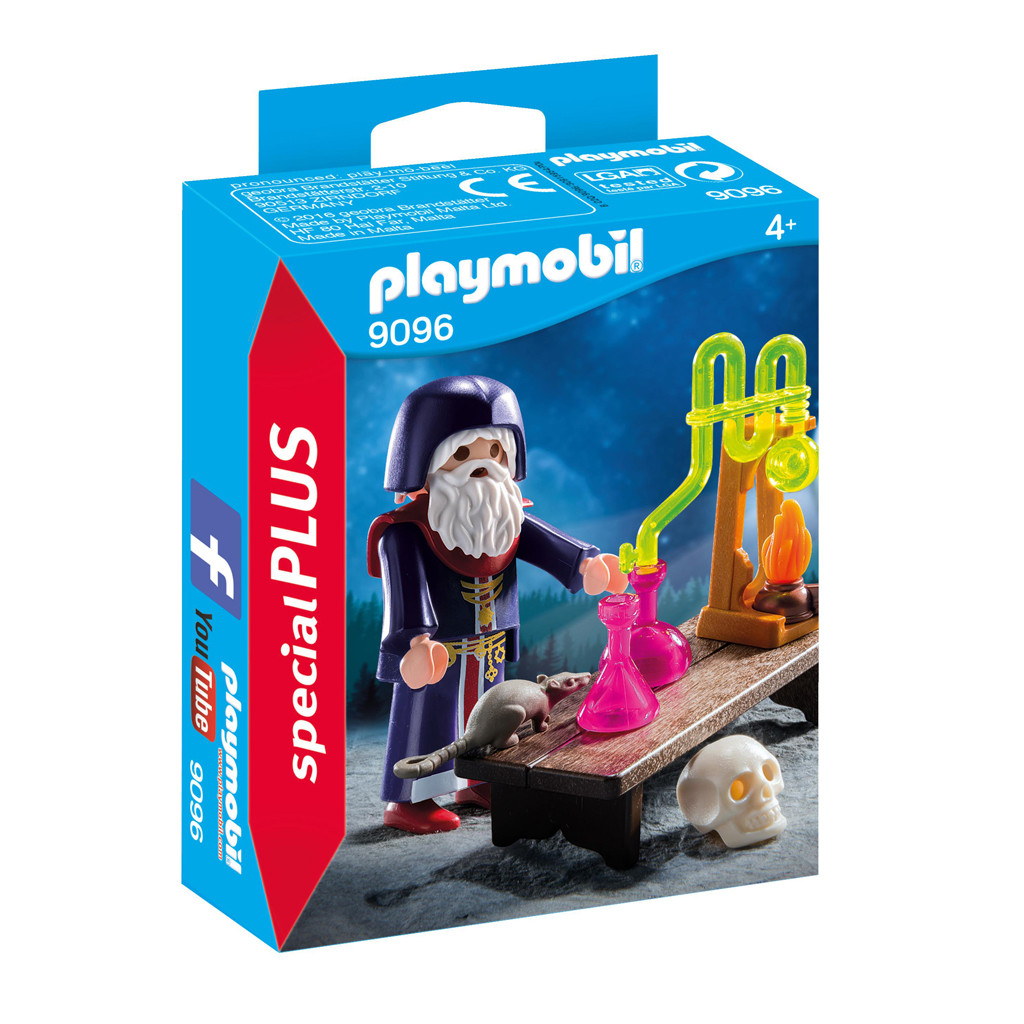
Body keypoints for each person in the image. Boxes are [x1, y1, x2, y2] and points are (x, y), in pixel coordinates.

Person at [367, 375, 625, 833]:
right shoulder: (406, 531)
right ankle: (409, 801)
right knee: (428, 717)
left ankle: (477, 779)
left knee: (488, 717)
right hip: (438, 653)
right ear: (425, 460)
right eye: (462, 454)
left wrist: (586, 565)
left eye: (494, 452)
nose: (482, 465)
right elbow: (405, 590)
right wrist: (413, 640)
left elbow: (549, 545)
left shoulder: (506, 514)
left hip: (489, 650)